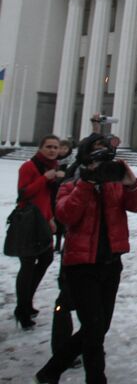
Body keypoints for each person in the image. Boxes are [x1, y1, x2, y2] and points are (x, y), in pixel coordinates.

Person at [35, 133, 137, 384]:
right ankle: (96, 378)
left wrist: (132, 183)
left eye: (104, 151)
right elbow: (66, 215)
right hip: (81, 264)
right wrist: (86, 182)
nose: (100, 157)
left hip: (110, 261)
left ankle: (50, 371)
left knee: (100, 326)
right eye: (95, 152)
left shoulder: (114, 177)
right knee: (94, 328)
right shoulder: (73, 178)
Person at [14, 135, 62, 329]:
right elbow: (23, 193)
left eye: (55, 147)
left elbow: (47, 197)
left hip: (43, 221)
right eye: (48, 146)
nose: (52, 150)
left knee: (45, 259)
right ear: (40, 148)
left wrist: (50, 217)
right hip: (28, 223)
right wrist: (44, 179)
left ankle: (27, 300)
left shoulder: (52, 167)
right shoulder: (29, 167)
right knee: (27, 265)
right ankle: (22, 308)